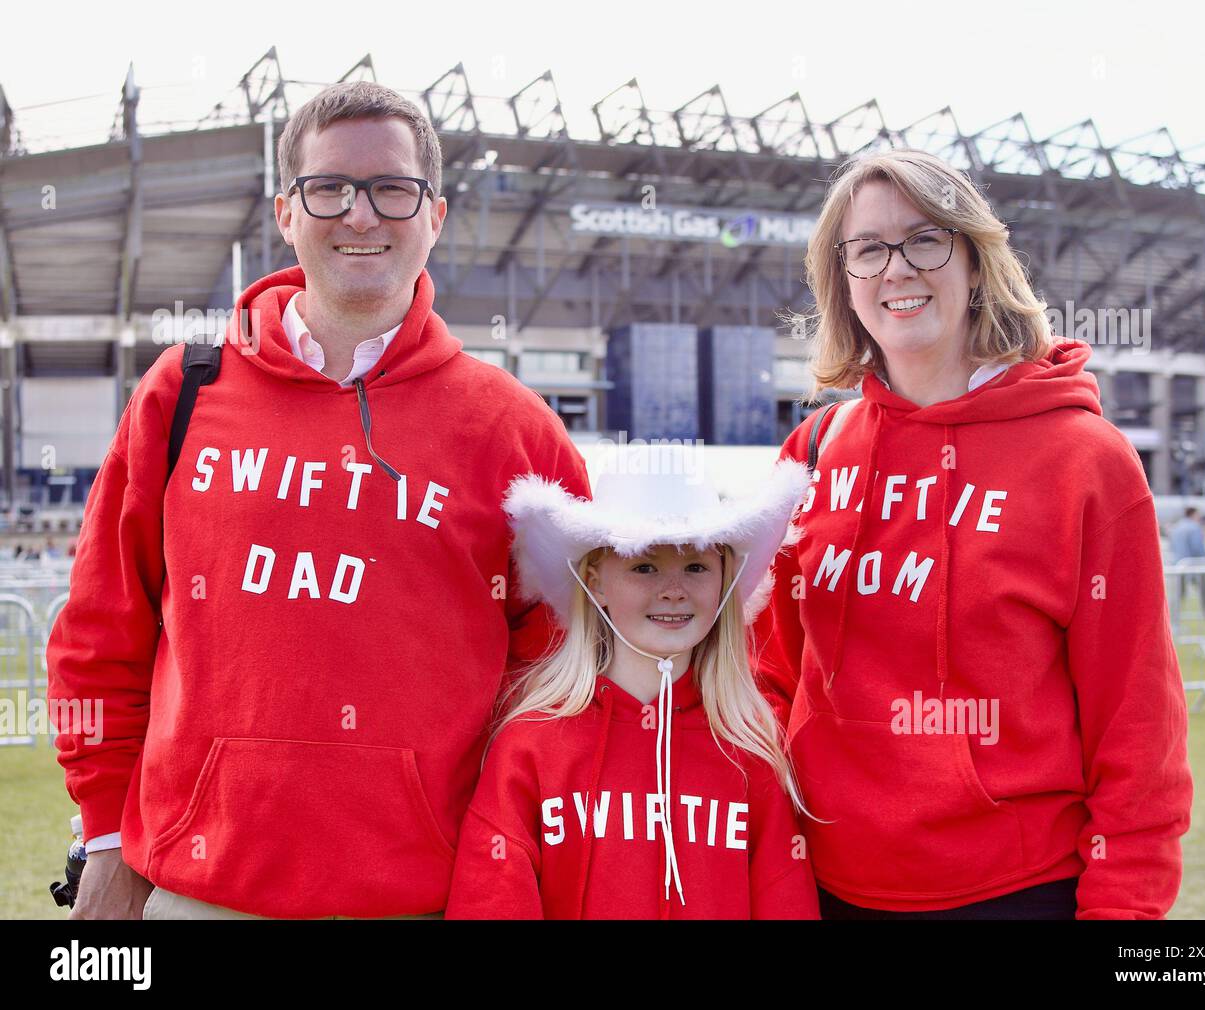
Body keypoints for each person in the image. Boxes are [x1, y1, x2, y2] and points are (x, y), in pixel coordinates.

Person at [45, 81, 589, 920]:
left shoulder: (515, 432)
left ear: (434, 216)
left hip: (427, 898)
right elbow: (98, 633)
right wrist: (108, 835)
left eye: (391, 190)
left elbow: (563, 678)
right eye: (328, 188)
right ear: (286, 213)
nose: (360, 215)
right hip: (198, 891)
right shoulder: (182, 392)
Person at [751, 148, 1192, 920]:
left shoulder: (1084, 461)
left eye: (927, 239)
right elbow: (770, 677)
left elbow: (1139, 720)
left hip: (1017, 891)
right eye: (869, 249)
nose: (898, 269)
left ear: (977, 261)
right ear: (843, 279)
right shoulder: (811, 453)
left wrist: (1125, 912)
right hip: (826, 883)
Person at [446, 445, 818, 919]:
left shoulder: (750, 752)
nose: (673, 589)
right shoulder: (530, 746)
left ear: (725, 579)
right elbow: (493, 898)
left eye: (697, 566)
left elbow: (785, 900)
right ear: (596, 581)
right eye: (644, 566)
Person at [1169, 506, 1205, 627]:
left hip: (1179, 566)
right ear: (1193, 514)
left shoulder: (1176, 527)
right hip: (1195, 566)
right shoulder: (1194, 527)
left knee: (1178, 597)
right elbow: (1197, 548)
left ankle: (1172, 625)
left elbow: (1172, 547)